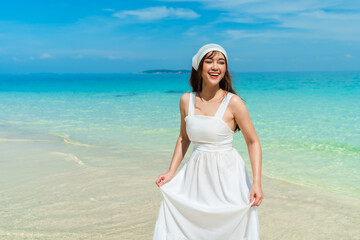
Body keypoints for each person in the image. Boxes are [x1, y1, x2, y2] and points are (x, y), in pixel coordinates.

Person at [153, 43, 263, 240]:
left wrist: (256, 182)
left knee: (228, 228)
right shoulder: (186, 100)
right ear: (199, 67)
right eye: (209, 61)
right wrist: (171, 172)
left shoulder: (234, 103)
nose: (215, 67)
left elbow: (253, 142)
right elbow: (184, 137)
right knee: (193, 227)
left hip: (228, 175)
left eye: (221, 62)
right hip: (195, 174)